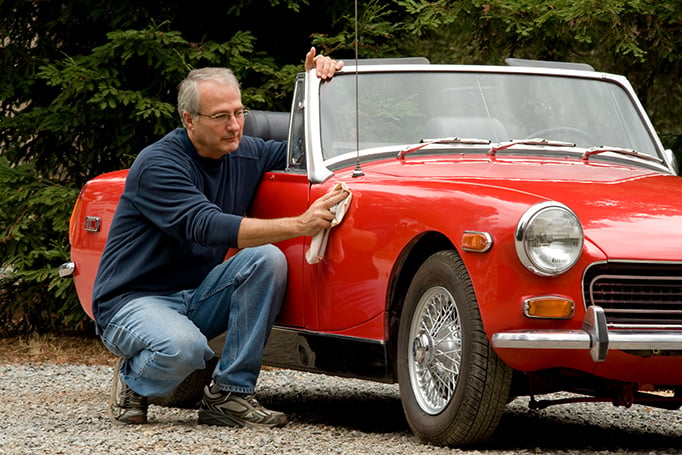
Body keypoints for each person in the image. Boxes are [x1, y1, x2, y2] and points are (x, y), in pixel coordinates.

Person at [92, 48, 345, 428]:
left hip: (196, 296)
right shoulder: (158, 164)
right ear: (189, 120)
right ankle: (133, 379)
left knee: (266, 259)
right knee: (184, 350)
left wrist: (316, 88)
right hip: (134, 300)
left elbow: (309, 151)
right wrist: (299, 225)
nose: (235, 126)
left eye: (239, 113)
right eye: (221, 116)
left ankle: (230, 393)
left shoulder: (246, 152)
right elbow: (206, 225)